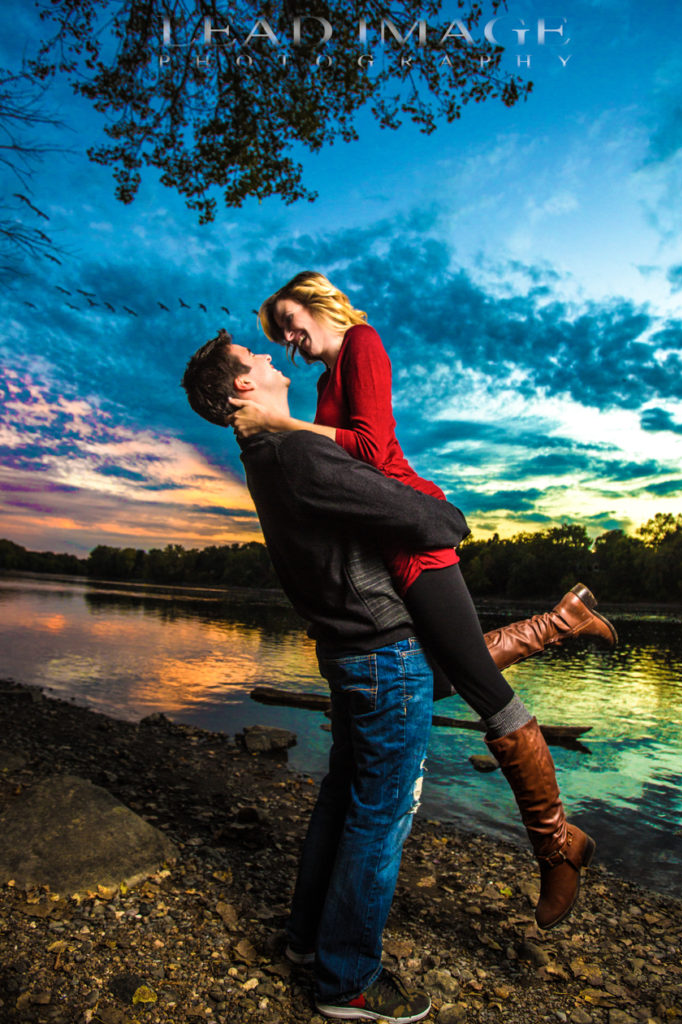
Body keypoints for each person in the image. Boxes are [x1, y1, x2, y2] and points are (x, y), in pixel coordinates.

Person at [230, 271, 617, 932]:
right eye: (280, 336)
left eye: (291, 321)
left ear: (318, 299)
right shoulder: (326, 380)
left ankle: (557, 847)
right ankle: (559, 622)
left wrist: (278, 423)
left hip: (413, 537)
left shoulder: (363, 344)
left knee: (480, 690)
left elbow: (373, 454)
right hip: (383, 544)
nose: (290, 339)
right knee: (434, 675)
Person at [182, 331, 471, 1022]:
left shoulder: (263, 453)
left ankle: (307, 945)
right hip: (380, 653)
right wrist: (447, 512)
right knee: (379, 817)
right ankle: (346, 984)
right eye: (254, 358)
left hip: (348, 651)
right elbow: (432, 523)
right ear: (243, 388)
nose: (267, 356)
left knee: (343, 801)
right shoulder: (297, 451)